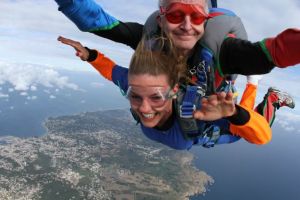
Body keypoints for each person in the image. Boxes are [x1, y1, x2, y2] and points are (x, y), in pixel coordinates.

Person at [58, 35, 273, 150]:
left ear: (173, 92)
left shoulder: (200, 110)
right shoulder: (137, 86)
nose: (143, 107)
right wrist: (90, 55)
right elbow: (112, 71)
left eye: (155, 97)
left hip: (213, 126)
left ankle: (261, 88)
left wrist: (234, 113)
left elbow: (261, 137)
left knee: (243, 126)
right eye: (135, 96)